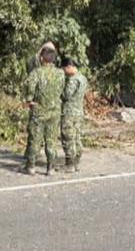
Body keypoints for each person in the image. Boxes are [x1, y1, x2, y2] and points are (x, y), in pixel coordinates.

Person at [23, 47, 65, 175]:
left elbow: (29, 88)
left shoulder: (36, 72)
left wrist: (29, 100)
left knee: (35, 139)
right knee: (51, 140)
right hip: (54, 112)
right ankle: (50, 168)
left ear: (41, 58)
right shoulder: (60, 73)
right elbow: (61, 89)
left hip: (39, 111)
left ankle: (31, 167)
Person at [60, 58, 87, 172]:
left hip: (69, 113)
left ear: (70, 67)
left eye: (65, 69)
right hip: (79, 112)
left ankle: (69, 164)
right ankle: (76, 162)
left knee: (68, 137)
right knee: (77, 137)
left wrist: (59, 92)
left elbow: (66, 95)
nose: (64, 72)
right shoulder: (83, 78)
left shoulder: (72, 80)